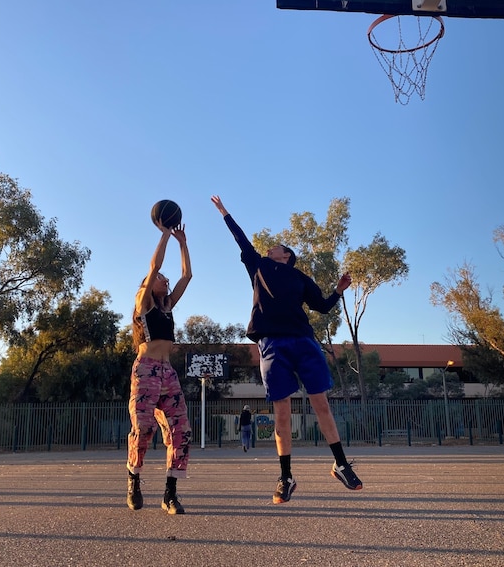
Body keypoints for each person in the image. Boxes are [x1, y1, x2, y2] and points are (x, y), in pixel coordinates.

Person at [211, 195, 362, 504]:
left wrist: (337, 291)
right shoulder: (259, 266)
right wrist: (225, 213)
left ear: (287, 256)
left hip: (304, 341)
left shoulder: (300, 278)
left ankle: (341, 463)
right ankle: (286, 477)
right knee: (282, 411)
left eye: (277, 246)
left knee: (321, 404)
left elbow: (321, 307)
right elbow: (242, 241)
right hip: (271, 343)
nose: (271, 247)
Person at [127, 220, 193, 514]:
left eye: (166, 279)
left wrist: (183, 243)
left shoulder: (167, 307)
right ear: (147, 285)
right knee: (143, 429)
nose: (165, 281)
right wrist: (165, 234)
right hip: (146, 371)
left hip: (168, 373)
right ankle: (134, 481)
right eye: (160, 279)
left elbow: (187, 275)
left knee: (182, 431)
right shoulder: (144, 304)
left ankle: (170, 494)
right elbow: (154, 266)